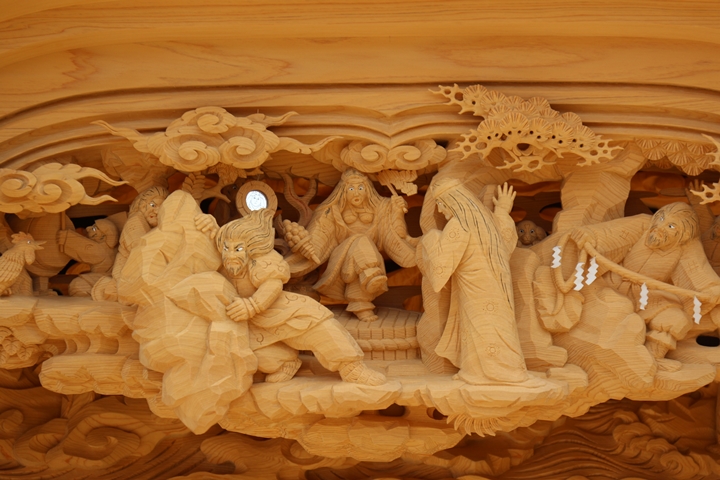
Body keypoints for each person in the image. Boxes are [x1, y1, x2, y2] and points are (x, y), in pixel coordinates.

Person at [196, 208, 386, 385]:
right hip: (244, 319)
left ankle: (351, 367)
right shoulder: (222, 258)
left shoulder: (261, 261)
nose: (230, 255)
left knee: (318, 326)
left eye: (237, 249)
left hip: (276, 308)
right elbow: (206, 246)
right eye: (226, 248)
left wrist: (253, 305)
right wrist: (210, 228)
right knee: (246, 350)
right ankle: (284, 363)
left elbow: (272, 284)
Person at [416, 178, 529, 384]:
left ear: (453, 202)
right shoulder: (484, 221)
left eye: (441, 203)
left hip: (476, 290)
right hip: (496, 288)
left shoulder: (458, 225)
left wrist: (431, 238)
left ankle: (487, 374)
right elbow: (506, 244)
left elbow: (441, 267)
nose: (440, 210)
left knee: (481, 328)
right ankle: (487, 371)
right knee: (495, 327)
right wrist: (502, 212)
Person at [284, 168, 417, 322]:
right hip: (342, 260)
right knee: (360, 240)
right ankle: (371, 276)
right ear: (343, 192)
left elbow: (396, 236)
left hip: (369, 259)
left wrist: (397, 212)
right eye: (351, 189)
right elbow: (319, 237)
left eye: (360, 188)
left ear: (368, 190)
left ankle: (363, 299)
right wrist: (305, 246)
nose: (356, 193)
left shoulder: (381, 209)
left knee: (362, 245)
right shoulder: (330, 211)